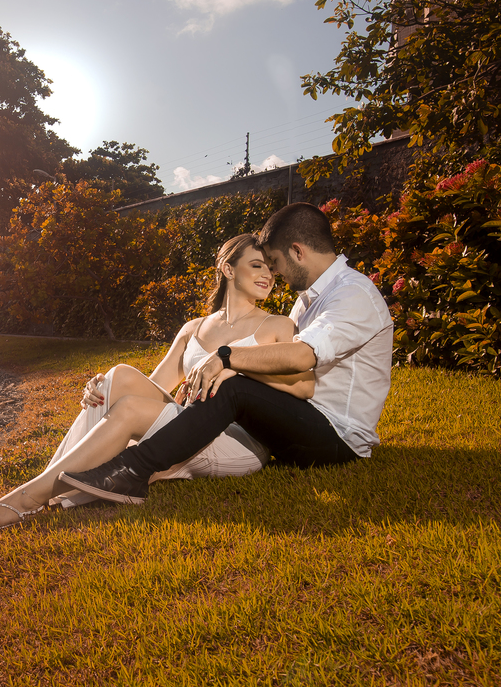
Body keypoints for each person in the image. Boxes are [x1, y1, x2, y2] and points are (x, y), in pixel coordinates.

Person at [0, 232, 315, 530]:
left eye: (270, 268)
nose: (268, 275)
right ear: (227, 268)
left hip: (238, 442)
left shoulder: (277, 326)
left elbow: (303, 388)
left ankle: (33, 495)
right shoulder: (194, 328)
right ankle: (54, 486)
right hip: (188, 430)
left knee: (128, 407)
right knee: (115, 379)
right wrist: (102, 387)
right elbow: (152, 384)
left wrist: (234, 367)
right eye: (257, 265)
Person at [58, 202, 394, 505]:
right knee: (226, 382)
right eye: (264, 265)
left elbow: (302, 358)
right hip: (297, 419)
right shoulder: (308, 300)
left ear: (297, 252)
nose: (275, 274)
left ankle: (132, 469)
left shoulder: (351, 294)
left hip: (337, 437)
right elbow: (280, 370)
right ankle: (70, 473)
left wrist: (227, 357)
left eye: (275, 263)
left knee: (234, 385)